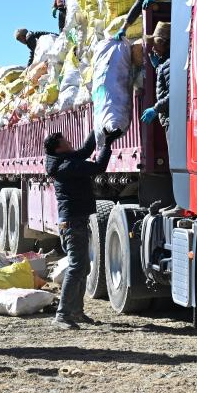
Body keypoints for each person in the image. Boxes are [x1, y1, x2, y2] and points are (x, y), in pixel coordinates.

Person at [44, 130, 118, 329]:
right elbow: (98, 167)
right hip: (73, 223)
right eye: (66, 141)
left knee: (83, 268)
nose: (70, 142)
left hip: (75, 221)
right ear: (59, 148)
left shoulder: (64, 159)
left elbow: (85, 151)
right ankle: (62, 315)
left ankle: (76, 312)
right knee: (77, 267)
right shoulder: (66, 166)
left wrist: (98, 130)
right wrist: (107, 145)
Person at [139, 22, 171, 132]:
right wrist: (158, 66)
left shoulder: (169, 64)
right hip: (169, 119)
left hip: (171, 120)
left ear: (164, 44)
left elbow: (173, 95)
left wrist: (155, 109)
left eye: (155, 44)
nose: (153, 48)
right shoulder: (165, 64)